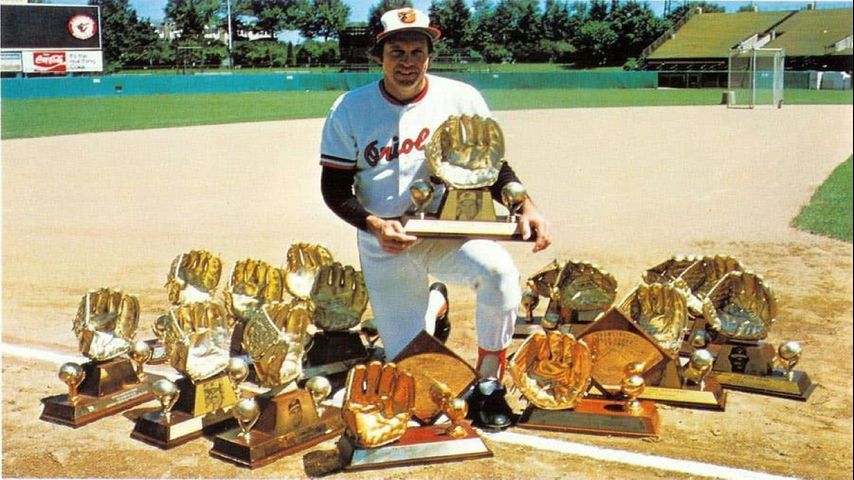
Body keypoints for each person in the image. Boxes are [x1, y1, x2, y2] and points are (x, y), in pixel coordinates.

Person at [319, 8, 551, 429]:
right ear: (379, 56)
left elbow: (490, 166)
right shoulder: (350, 108)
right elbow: (334, 190)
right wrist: (373, 224)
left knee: (500, 273)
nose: (407, 61)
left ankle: (488, 387)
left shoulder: (460, 98)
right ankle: (435, 305)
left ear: (429, 55)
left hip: (446, 234)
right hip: (383, 240)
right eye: (397, 51)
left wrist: (526, 206)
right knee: (416, 386)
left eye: (417, 51)